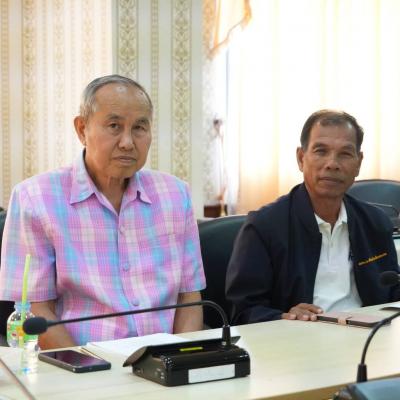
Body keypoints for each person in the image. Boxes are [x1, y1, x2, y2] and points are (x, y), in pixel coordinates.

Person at [0, 75, 205, 349]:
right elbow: (36, 311)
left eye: (139, 127)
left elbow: (189, 298)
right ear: (82, 129)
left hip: (165, 361)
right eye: (114, 126)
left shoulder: (176, 195)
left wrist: (180, 359)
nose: (127, 142)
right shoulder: (34, 198)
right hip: (78, 362)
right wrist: (87, 367)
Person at [226, 109, 400, 325]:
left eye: (345, 154)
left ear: (359, 162)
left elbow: (393, 292)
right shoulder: (264, 226)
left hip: (370, 337)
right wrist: (284, 317)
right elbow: (243, 312)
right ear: (301, 158)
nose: (332, 163)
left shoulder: (375, 222)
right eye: (321, 151)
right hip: (299, 339)